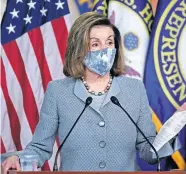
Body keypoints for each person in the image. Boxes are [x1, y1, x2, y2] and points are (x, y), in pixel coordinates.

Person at [1, 12, 181, 173]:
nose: (105, 49)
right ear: (79, 49)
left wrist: (174, 126)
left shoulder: (134, 89)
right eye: (95, 44)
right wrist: (19, 159)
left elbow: (147, 150)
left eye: (110, 42)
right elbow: (40, 148)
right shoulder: (58, 92)